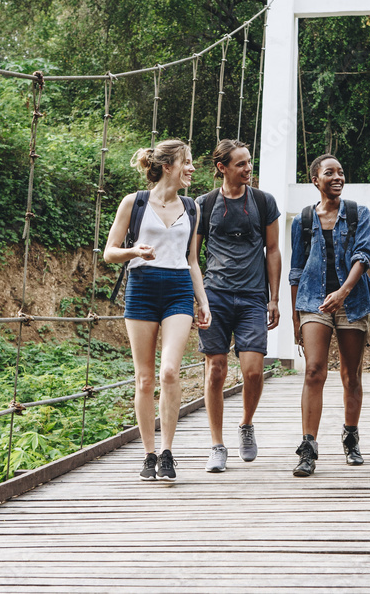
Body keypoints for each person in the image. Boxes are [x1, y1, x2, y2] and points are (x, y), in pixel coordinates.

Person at [102, 139, 211, 482]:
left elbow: (192, 261)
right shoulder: (133, 203)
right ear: (168, 166)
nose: (192, 168)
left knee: (169, 373)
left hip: (178, 289)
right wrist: (135, 252)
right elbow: (109, 252)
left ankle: (167, 452)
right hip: (142, 289)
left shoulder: (193, 207)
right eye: (187, 162)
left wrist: (203, 302)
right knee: (145, 378)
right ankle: (148, 454)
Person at [195, 139, 282, 473]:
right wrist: (198, 299)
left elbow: (272, 250)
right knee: (215, 369)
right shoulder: (204, 205)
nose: (248, 169)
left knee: (253, 371)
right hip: (215, 296)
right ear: (222, 168)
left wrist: (273, 298)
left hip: (251, 297)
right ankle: (217, 445)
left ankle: (246, 424)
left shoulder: (262, 201)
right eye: (241, 164)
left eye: (249, 162)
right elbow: (193, 257)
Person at [289, 154, 370, 477]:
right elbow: (295, 271)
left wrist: (343, 293)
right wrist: (296, 317)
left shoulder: (358, 214)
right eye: (330, 172)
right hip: (313, 302)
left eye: (341, 171)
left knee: (351, 374)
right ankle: (308, 447)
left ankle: (350, 437)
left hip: (352, 302)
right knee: (314, 371)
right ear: (315, 179)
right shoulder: (303, 220)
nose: (337, 177)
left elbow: (362, 256)